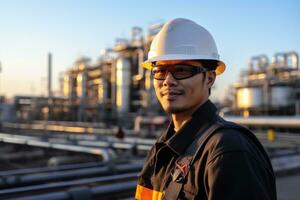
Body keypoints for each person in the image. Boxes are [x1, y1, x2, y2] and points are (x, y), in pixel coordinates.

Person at [135, 18, 276, 200]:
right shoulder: (162, 149)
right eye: (160, 71)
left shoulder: (228, 151)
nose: (168, 81)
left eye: (182, 70)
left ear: (210, 78)